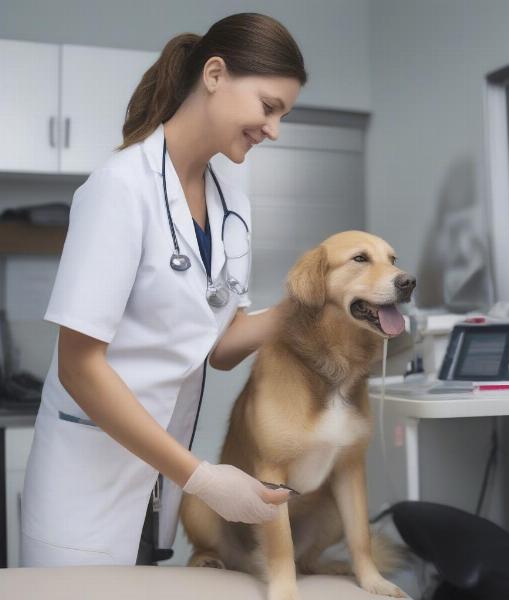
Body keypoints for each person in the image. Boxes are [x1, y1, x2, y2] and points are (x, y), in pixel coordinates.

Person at [20, 12, 307, 567]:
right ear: (216, 74)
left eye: (282, 115)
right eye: (269, 107)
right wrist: (201, 477)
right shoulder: (119, 187)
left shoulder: (231, 199)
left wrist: (306, 306)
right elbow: (80, 367)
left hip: (159, 481)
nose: (274, 129)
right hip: (87, 486)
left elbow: (218, 349)